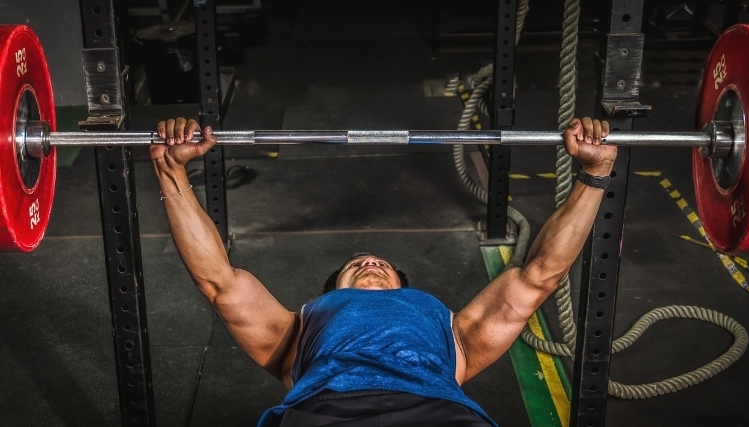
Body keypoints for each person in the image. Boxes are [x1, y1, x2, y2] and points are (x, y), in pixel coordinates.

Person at [151, 117, 615, 427]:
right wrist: (171, 171)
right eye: (357, 265)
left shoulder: (454, 332)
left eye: (382, 265)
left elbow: (540, 276)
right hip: (324, 413)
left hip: (441, 415)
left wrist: (596, 172)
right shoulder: (299, 330)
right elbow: (219, 281)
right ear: (331, 294)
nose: (371, 262)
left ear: (407, 292)